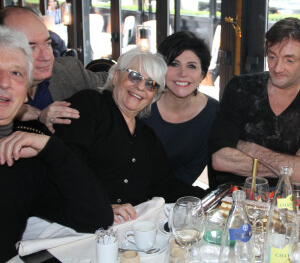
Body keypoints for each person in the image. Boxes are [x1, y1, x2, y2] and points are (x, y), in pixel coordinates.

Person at [54, 48, 208, 221]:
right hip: (77, 222)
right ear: (116, 76)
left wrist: (212, 197)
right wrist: (99, 207)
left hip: (128, 229)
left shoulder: (146, 136)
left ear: (154, 96)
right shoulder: (90, 105)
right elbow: (64, 166)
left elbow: (166, 185)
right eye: (135, 76)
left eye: (151, 84)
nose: (141, 87)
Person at [0, 26, 113, 261]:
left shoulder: (23, 159)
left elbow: (95, 218)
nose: (5, 83)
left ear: (26, 94)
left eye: (16, 73)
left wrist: (52, 149)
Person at [209, 17, 300, 188]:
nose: (277, 68)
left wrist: (251, 149)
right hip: (235, 196)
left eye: (290, 60)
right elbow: (220, 159)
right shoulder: (241, 88)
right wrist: (289, 165)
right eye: (272, 57)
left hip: (289, 203)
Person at [0, 6, 107, 134]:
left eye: (48, 44)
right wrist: (13, 110)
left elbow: (114, 82)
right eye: (32, 48)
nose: (46, 57)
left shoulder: (68, 71)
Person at [143, 31, 219, 186]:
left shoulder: (214, 114)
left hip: (175, 198)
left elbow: (189, 174)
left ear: (202, 75)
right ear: (162, 69)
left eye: (191, 66)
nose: (182, 73)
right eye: (174, 64)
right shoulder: (142, 103)